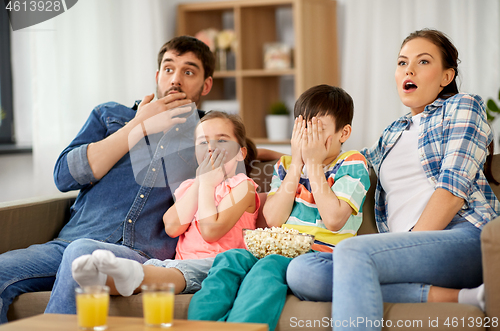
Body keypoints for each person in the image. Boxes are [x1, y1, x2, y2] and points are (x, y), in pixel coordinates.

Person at [0, 36, 278, 323]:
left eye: (189, 72)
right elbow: (64, 176)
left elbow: (244, 152)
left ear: (206, 84)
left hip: (142, 255)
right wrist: (138, 126)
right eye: (169, 69)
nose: (176, 80)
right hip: (72, 240)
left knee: (82, 254)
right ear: (157, 76)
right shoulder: (111, 116)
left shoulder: (205, 134)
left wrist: (296, 159)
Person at [287, 29, 499, 330]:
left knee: (351, 253)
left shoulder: (463, 107)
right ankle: (461, 297)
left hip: (463, 238)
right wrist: (277, 153)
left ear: (446, 76)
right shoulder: (393, 132)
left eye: (423, 62)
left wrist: (403, 246)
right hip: (403, 249)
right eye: (402, 63)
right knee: (303, 271)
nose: (408, 70)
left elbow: (453, 190)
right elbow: (345, 158)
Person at [187, 85, 370, 331]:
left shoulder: (352, 163)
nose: (309, 139)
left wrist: (314, 166)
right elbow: (273, 219)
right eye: (304, 129)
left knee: (269, 266)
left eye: (318, 131)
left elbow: (335, 220)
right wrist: (296, 165)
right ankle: (200, 327)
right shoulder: (285, 166)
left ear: (343, 132)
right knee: (229, 260)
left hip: (323, 256)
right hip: (281, 249)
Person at [70, 111, 260, 297]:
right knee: (158, 266)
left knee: (172, 272)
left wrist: (208, 184)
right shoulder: (191, 186)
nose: (211, 147)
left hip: (221, 266)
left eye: (222, 140)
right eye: (203, 142)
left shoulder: (243, 187)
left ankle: (124, 275)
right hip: (181, 264)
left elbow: (210, 232)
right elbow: (172, 226)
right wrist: (201, 182)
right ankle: (109, 276)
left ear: (240, 153)